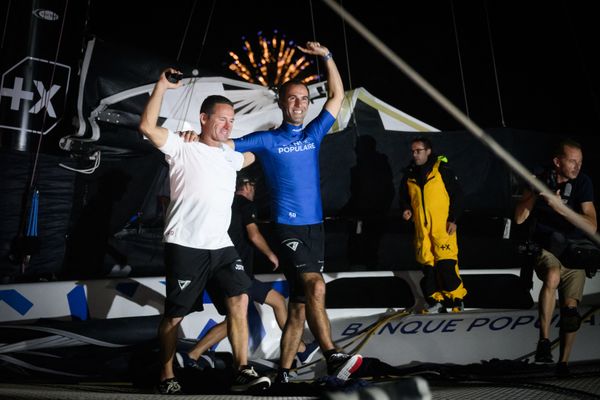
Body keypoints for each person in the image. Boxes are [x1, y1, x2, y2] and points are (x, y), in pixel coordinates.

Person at [230, 41, 363, 384]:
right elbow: (224, 147)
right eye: (292, 98)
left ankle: (284, 373)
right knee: (316, 287)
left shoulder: (313, 134)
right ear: (281, 102)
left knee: (299, 306)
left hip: (315, 230)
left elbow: (336, 96)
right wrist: (192, 137)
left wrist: (329, 57)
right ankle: (332, 355)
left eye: (304, 99)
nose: (299, 104)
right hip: (286, 229)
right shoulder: (266, 140)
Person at [138, 68, 271, 394]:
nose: (228, 126)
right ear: (203, 118)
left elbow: (263, 148)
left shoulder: (231, 155)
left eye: (231, 121)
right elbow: (146, 126)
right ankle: (166, 375)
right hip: (186, 244)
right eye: (221, 119)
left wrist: (283, 135)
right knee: (174, 317)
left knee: (239, 300)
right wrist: (162, 86)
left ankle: (242, 369)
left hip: (221, 246)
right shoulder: (183, 146)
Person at [176, 173, 319, 369]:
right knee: (275, 302)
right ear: (248, 187)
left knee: (235, 319)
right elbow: (253, 234)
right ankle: (300, 350)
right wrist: (271, 254)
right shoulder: (245, 204)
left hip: (216, 271)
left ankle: (191, 356)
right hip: (237, 273)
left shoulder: (222, 204)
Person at [514, 138, 597, 374]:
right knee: (551, 276)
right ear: (557, 162)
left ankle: (563, 363)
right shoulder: (539, 176)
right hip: (547, 248)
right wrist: (536, 193)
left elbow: (591, 226)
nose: (577, 166)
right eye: (572, 161)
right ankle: (544, 341)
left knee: (571, 309)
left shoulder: (583, 183)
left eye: (580, 162)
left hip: (574, 250)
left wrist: (561, 208)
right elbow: (519, 218)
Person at [399, 136, 467, 313]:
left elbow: (458, 196)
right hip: (422, 230)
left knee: (446, 265)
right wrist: (406, 209)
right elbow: (404, 198)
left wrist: (453, 219)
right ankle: (434, 302)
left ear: (428, 151)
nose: (415, 154)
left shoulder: (441, 170)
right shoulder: (410, 174)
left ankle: (455, 301)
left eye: (418, 151)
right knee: (428, 268)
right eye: (413, 151)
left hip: (442, 228)